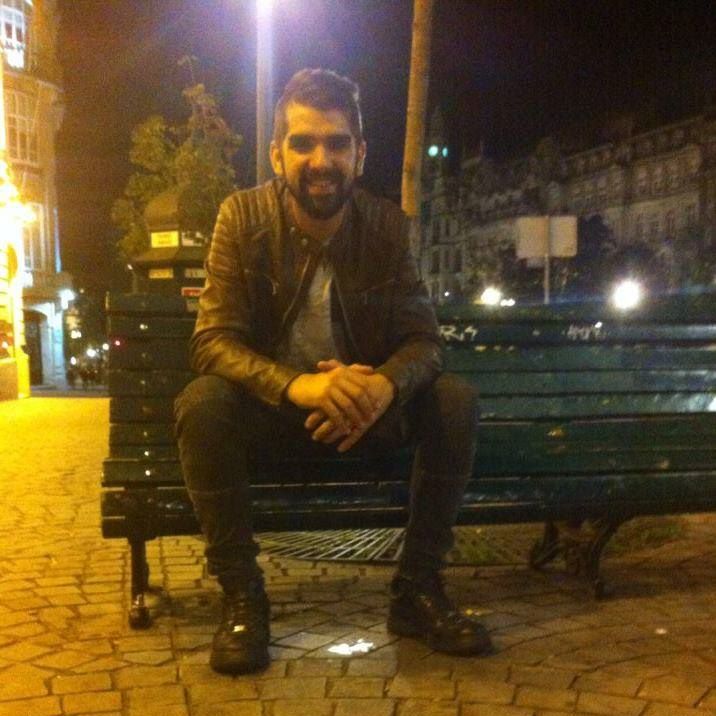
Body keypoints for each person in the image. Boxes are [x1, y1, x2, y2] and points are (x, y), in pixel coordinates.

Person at [174, 68, 491, 675]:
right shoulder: (241, 217)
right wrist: (298, 385)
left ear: (360, 154)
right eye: (303, 143)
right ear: (277, 154)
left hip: (363, 423)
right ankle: (243, 599)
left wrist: (380, 386)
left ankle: (417, 591)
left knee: (453, 400)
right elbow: (211, 341)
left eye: (337, 143)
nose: (321, 160)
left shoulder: (387, 227)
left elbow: (425, 343)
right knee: (202, 403)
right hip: (273, 421)